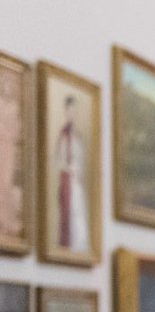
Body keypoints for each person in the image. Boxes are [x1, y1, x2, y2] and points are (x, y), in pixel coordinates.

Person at [53, 94, 88, 253]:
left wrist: (78, 170)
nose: (71, 114)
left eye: (74, 111)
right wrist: (69, 168)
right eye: (69, 110)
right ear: (66, 111)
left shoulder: (77, 135)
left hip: (77, 180)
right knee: (69, 214)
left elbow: (81, 158)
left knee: (79, 214)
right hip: (68, 179)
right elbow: (59, 160)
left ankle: (79, 247)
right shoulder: (63, 135)